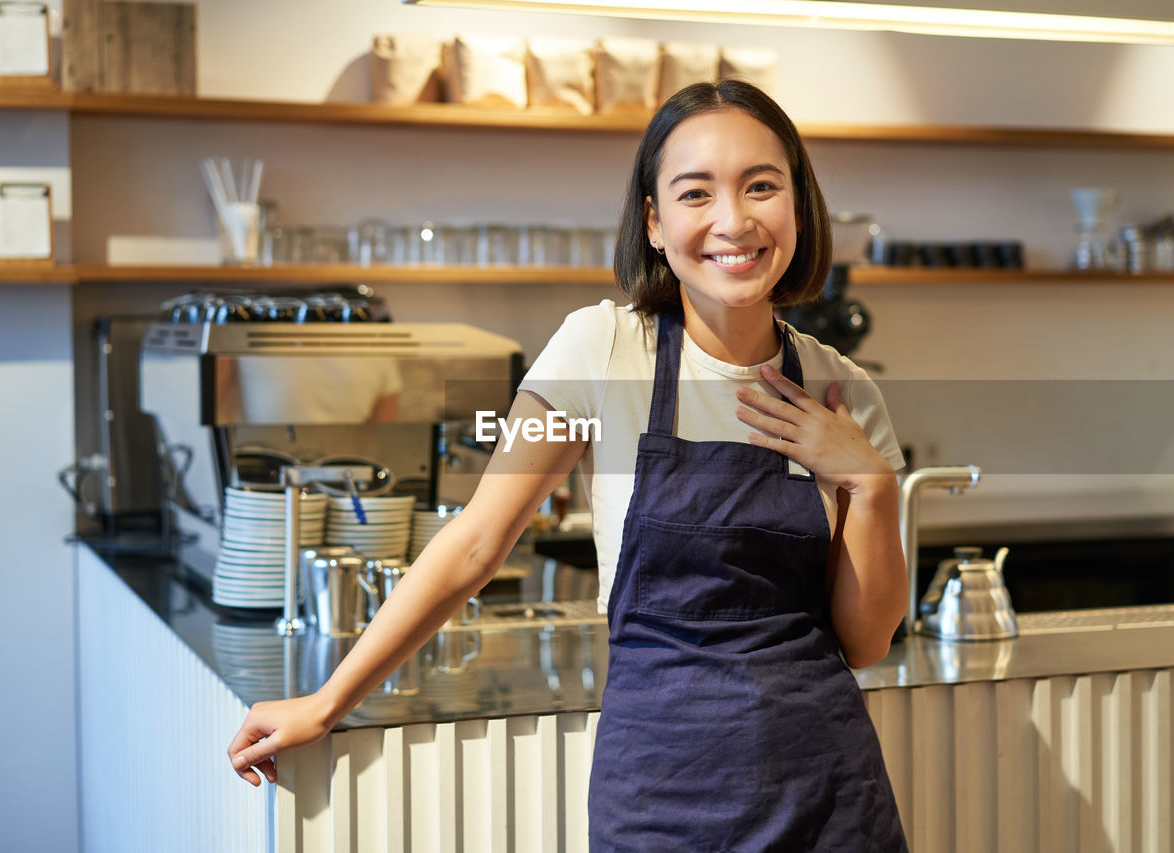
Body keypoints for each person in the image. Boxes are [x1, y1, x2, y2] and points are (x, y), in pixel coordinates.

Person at [228, 79, 910, 851]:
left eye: (762, 185)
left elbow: (863, 642)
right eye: (696, 193)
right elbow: (476, 543)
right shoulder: (604, 350)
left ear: (798, 202)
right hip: (661, 797)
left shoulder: (842, 390)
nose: (734, 219)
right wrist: (328, 699)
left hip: (827, 797)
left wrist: (872, 487)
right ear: (653, 222)